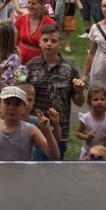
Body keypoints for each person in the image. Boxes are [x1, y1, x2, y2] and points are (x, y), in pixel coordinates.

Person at [25, 24, 86, 158]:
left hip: (60, 128)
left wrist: (79, 92)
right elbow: (24, 93)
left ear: (60, 44)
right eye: (45, 40)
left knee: (55, 164)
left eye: (53, 41)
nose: (49, 44)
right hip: (35, 125)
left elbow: (79, 102)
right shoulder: (31, 65)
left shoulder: (70, 69)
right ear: (39, 42)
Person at [0, 85, 59, 161]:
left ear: (24, 108)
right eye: (7, 103)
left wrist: (48, 131)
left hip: (21, 176)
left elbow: (54, 155)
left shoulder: (30, 130)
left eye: (17, 104)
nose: (11, 108)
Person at [75, 86, 106, 160]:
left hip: (104, 153)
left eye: (102, 99)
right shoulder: (85, 118)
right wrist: (86, 136)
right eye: (95, 99)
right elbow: (78, 133)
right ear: (89, 102)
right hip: (88, 152)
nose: (99, 102)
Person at [14, 0, 54, 64]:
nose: (30, 6)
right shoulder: (20, 19)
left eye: (34, 4)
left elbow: (52, 46)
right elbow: (15, 43)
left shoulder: (50, 23)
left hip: (39, 63)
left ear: (42, 5)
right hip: (20, 61)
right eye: (28, 2)